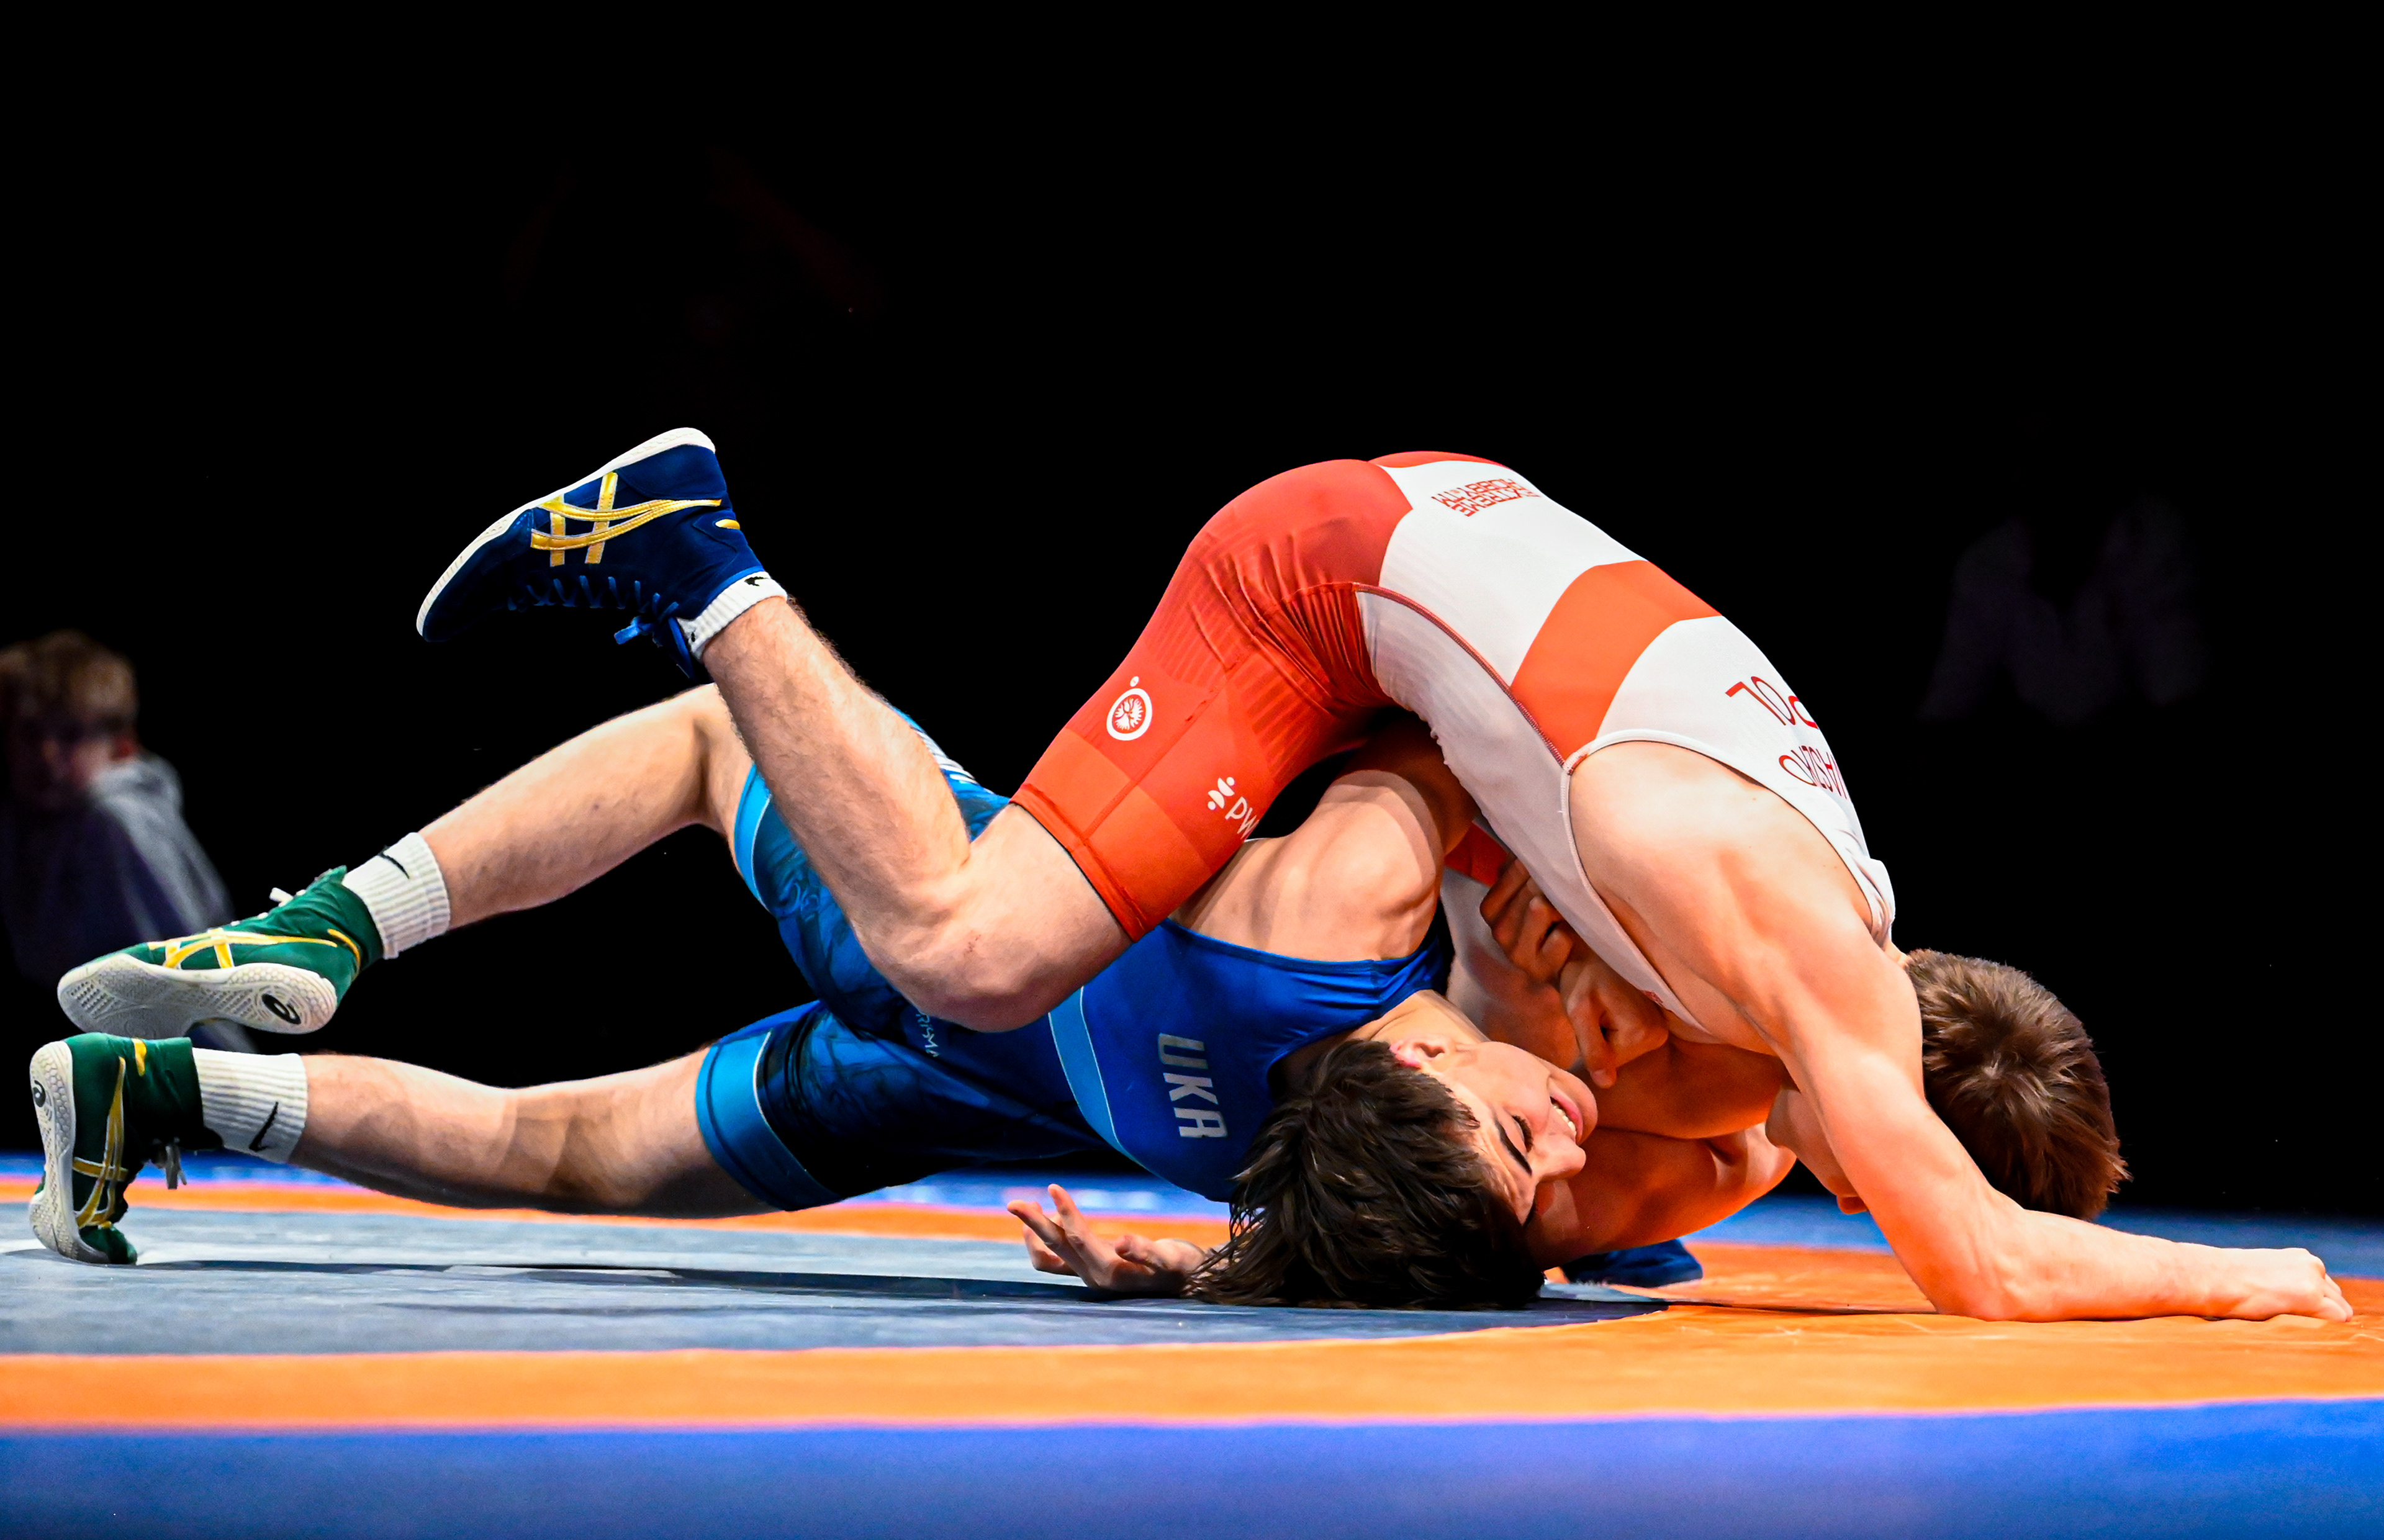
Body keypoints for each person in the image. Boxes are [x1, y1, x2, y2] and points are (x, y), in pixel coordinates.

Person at [401, 430, 2344, 1323]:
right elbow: (1980, 1265)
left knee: (1068, 971)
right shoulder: (1786, 961)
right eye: (1871, 1150)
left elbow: (1496, 1198)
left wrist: (1217, 1261)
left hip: (1438, 647)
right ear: (1892, 1109)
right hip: (1334, 580)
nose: (1803, 1176)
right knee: (970, 944)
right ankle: (700, 562)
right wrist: (2258, 1279)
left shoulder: (1755, 1063)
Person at [35, 687, 1786, 1290]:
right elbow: (1688, 1184)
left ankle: (300, 958)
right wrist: (1207, 1272)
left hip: (953, 973)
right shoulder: (1494, 1190)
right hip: (958, 1084)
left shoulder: (1364, 918)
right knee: (553, 1150)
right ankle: (180, 1086)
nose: (1569, 1130)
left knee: (711, 742)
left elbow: (1414, 712)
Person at [1, 631, 250, 1052]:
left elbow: (185, 974)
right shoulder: (22, 816)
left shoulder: (114, 822)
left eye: (70, 735)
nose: (47, 755)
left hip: (175, 1059)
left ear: (121, 743)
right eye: (30, 733)